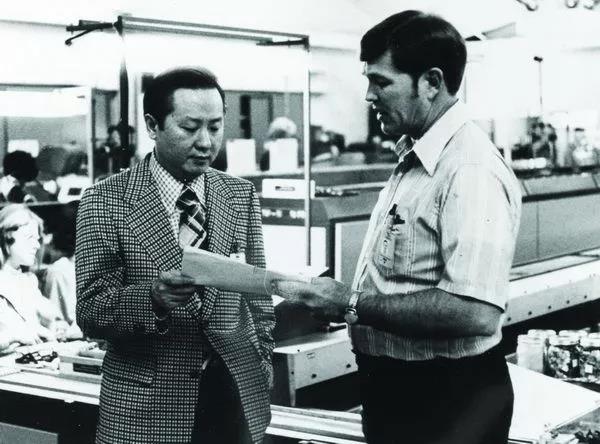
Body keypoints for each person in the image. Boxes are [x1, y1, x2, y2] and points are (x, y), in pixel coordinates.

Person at [273, 11, 522, 444]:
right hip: (401, 393)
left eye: (381, 82)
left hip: (447, 402)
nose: (369, 95)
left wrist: (350, 301)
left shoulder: (468, 169)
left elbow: (475, 311)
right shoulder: (415, 158)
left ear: (431, 82)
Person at [75, 67, 274, 444]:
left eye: (215, 127)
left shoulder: (239, 195)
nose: (206, 142)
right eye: (190, 128)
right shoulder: (105, 201)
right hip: (146, 411)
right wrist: (152, 298)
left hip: (233, 403)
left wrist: (261, 359)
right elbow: (89, 310)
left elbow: (257, 297)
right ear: (153, 125)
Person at [0, 204, 68, 348]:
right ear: (5, 238)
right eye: (29, 237)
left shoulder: (28, 281)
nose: (37, 245)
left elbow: (46, 319)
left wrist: (56, 325)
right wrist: (14, 336)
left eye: (37, 239)